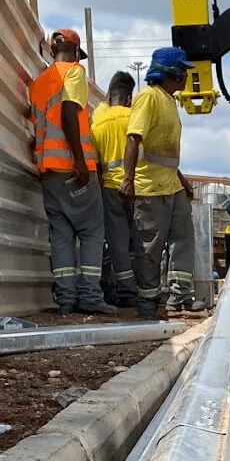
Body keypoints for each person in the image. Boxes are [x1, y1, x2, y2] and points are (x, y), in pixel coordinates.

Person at [29, 29, 115, 316]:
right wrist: (80, 161)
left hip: (48, 170)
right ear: (76, 52)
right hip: (73, 167)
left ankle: (66, 299)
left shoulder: (39, 82)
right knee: (91, 231)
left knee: (62, 234)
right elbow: (68, 112)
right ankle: (90, 296)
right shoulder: (75, 73)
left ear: (53, 50)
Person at [120, 46, 201, 319]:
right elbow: (134, 138)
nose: (186, 78)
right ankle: (148, 302)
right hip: (150, 187)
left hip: (171, 185)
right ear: (173, 73)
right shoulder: (148, 98)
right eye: (183, 72)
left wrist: (182, 179)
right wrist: (128, 179)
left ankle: (180, 297)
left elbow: (165, 153)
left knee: (183, 239)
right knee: (150, 248)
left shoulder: (169, 101)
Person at [91, 71, 147, 309]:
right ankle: (143, 287)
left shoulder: (97, 122)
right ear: (128, 98)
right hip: (138, 187)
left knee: (117, 243)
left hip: (109, 190)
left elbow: (94, 162)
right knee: (141, 242)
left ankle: (126, 292)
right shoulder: (134, 118)